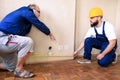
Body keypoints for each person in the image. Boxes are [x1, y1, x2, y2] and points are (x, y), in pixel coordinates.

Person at [0, 4, 55, 78]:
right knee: (28, 41)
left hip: (6, 42)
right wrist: (49, 33)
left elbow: (19, 36)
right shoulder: (26, 10)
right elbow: (38, 23)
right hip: (2, 38)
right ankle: (19, 70)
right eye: (39, 12)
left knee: (12, 67)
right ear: (33, 9)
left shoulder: (25, 20)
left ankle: (16, 68)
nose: (39, 15)